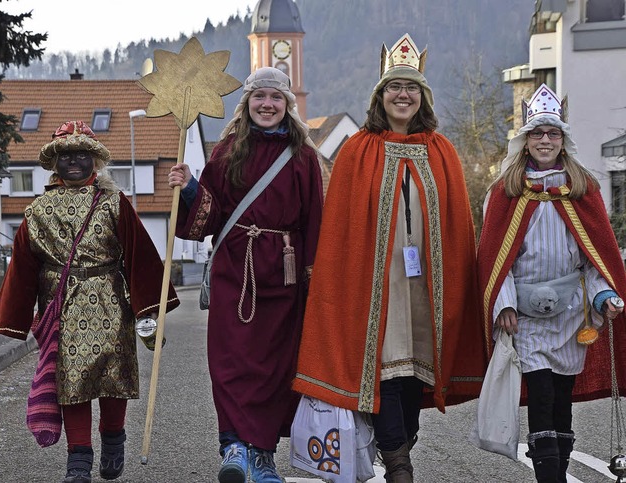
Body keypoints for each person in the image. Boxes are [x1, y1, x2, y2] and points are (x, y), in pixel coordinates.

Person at [292, 33, 487, 482]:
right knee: (383, 370)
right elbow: (340, 230)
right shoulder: (357, 151)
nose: (403, 95)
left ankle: (399, 444)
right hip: (375, 285)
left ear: (422, 97)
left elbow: (458, 226)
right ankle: (398, 461)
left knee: (416, 372)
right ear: (381, 96)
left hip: (424, 287)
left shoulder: (442, 151)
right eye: (395, 88)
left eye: (412, 88)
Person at [0, 121, 179, 483]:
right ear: (55, 162)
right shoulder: (39, 210)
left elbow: (139, 257)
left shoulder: (113, 203)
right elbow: (24, 265)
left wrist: (148, 312)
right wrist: (13, 315)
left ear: (95, 161)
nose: (74, 161)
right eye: (66, 155)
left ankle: (113, 439)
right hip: (63, 308)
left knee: (112, 376)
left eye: (82, 154)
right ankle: (78, 459)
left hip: (111, 301)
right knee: (71, 383)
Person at [167, 66, 323, 483]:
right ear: (248, 103)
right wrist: (188, 189)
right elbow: (210, 213)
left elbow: (314, 220)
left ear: (287, 105)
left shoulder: (304, 156)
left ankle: (263, 454)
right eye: (259, 97)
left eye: (275, 98)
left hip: (283, 274)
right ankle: (234, 447)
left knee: (275, 366)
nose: (267, 105)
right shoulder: (227, 150)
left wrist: (312, 281)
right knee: (230, 361)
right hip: (234, 268)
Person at [477, 84, 626, 482]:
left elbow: (594, 259)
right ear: (525, 142)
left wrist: (605, 294)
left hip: (570, 318)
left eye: (553, 133)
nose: (545, 140)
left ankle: (557, 468)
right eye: (538, 134)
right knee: (541, 395)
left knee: (562, 401)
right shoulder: (505, 193)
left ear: (563, 141)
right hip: (526, 316)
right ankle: (550, 477)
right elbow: (496, 260)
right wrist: (504, 302)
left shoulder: (584, 190)